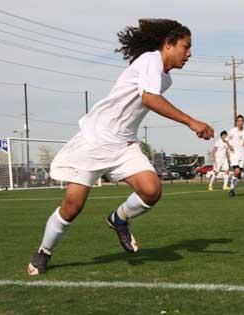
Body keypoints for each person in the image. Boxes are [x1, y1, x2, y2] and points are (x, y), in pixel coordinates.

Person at [27, 19, 214, 275]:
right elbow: (149, 98)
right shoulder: (150, 60)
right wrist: (191, 121)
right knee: (72, 206)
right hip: (94, 141)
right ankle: (43, 252)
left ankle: (119, 219)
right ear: (168, 44)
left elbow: (150, 98)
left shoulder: (165, 79)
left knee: (151, 191)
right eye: (186, 46)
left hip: (123, 145)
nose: (190, 53)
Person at [226, 115, 244, 197]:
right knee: (237, 172)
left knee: (239, 175)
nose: (240, 122)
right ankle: (232, 188)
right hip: (234, 154)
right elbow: (226, 139)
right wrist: (229, 146)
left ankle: (232, 189)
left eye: (241, 121)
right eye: (238, 121)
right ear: (236, 122)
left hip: (242, 155)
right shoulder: (232, 131)